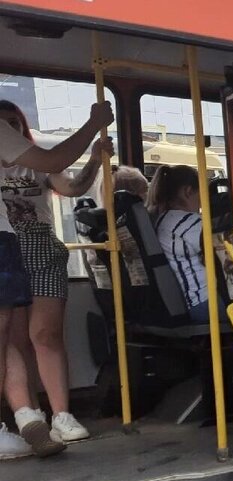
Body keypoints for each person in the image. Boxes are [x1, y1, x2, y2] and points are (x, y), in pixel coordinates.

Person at [0, 100, 113, 459]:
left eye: (14, 123)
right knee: (14, 339)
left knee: (44, 334)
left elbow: (72, 186)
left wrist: (95, 160)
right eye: (3, 124)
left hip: (39, 245)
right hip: (10, 245)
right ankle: (30, 419)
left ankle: (61, 415)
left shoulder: (38, 162)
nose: (9, 129)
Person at [147, 164, 213, 323]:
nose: (202, 203)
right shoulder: (187, 222)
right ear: (188, 191)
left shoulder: (163, 220)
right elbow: (221, 247)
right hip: (204, 301)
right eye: (201, 195)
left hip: (189, 301)